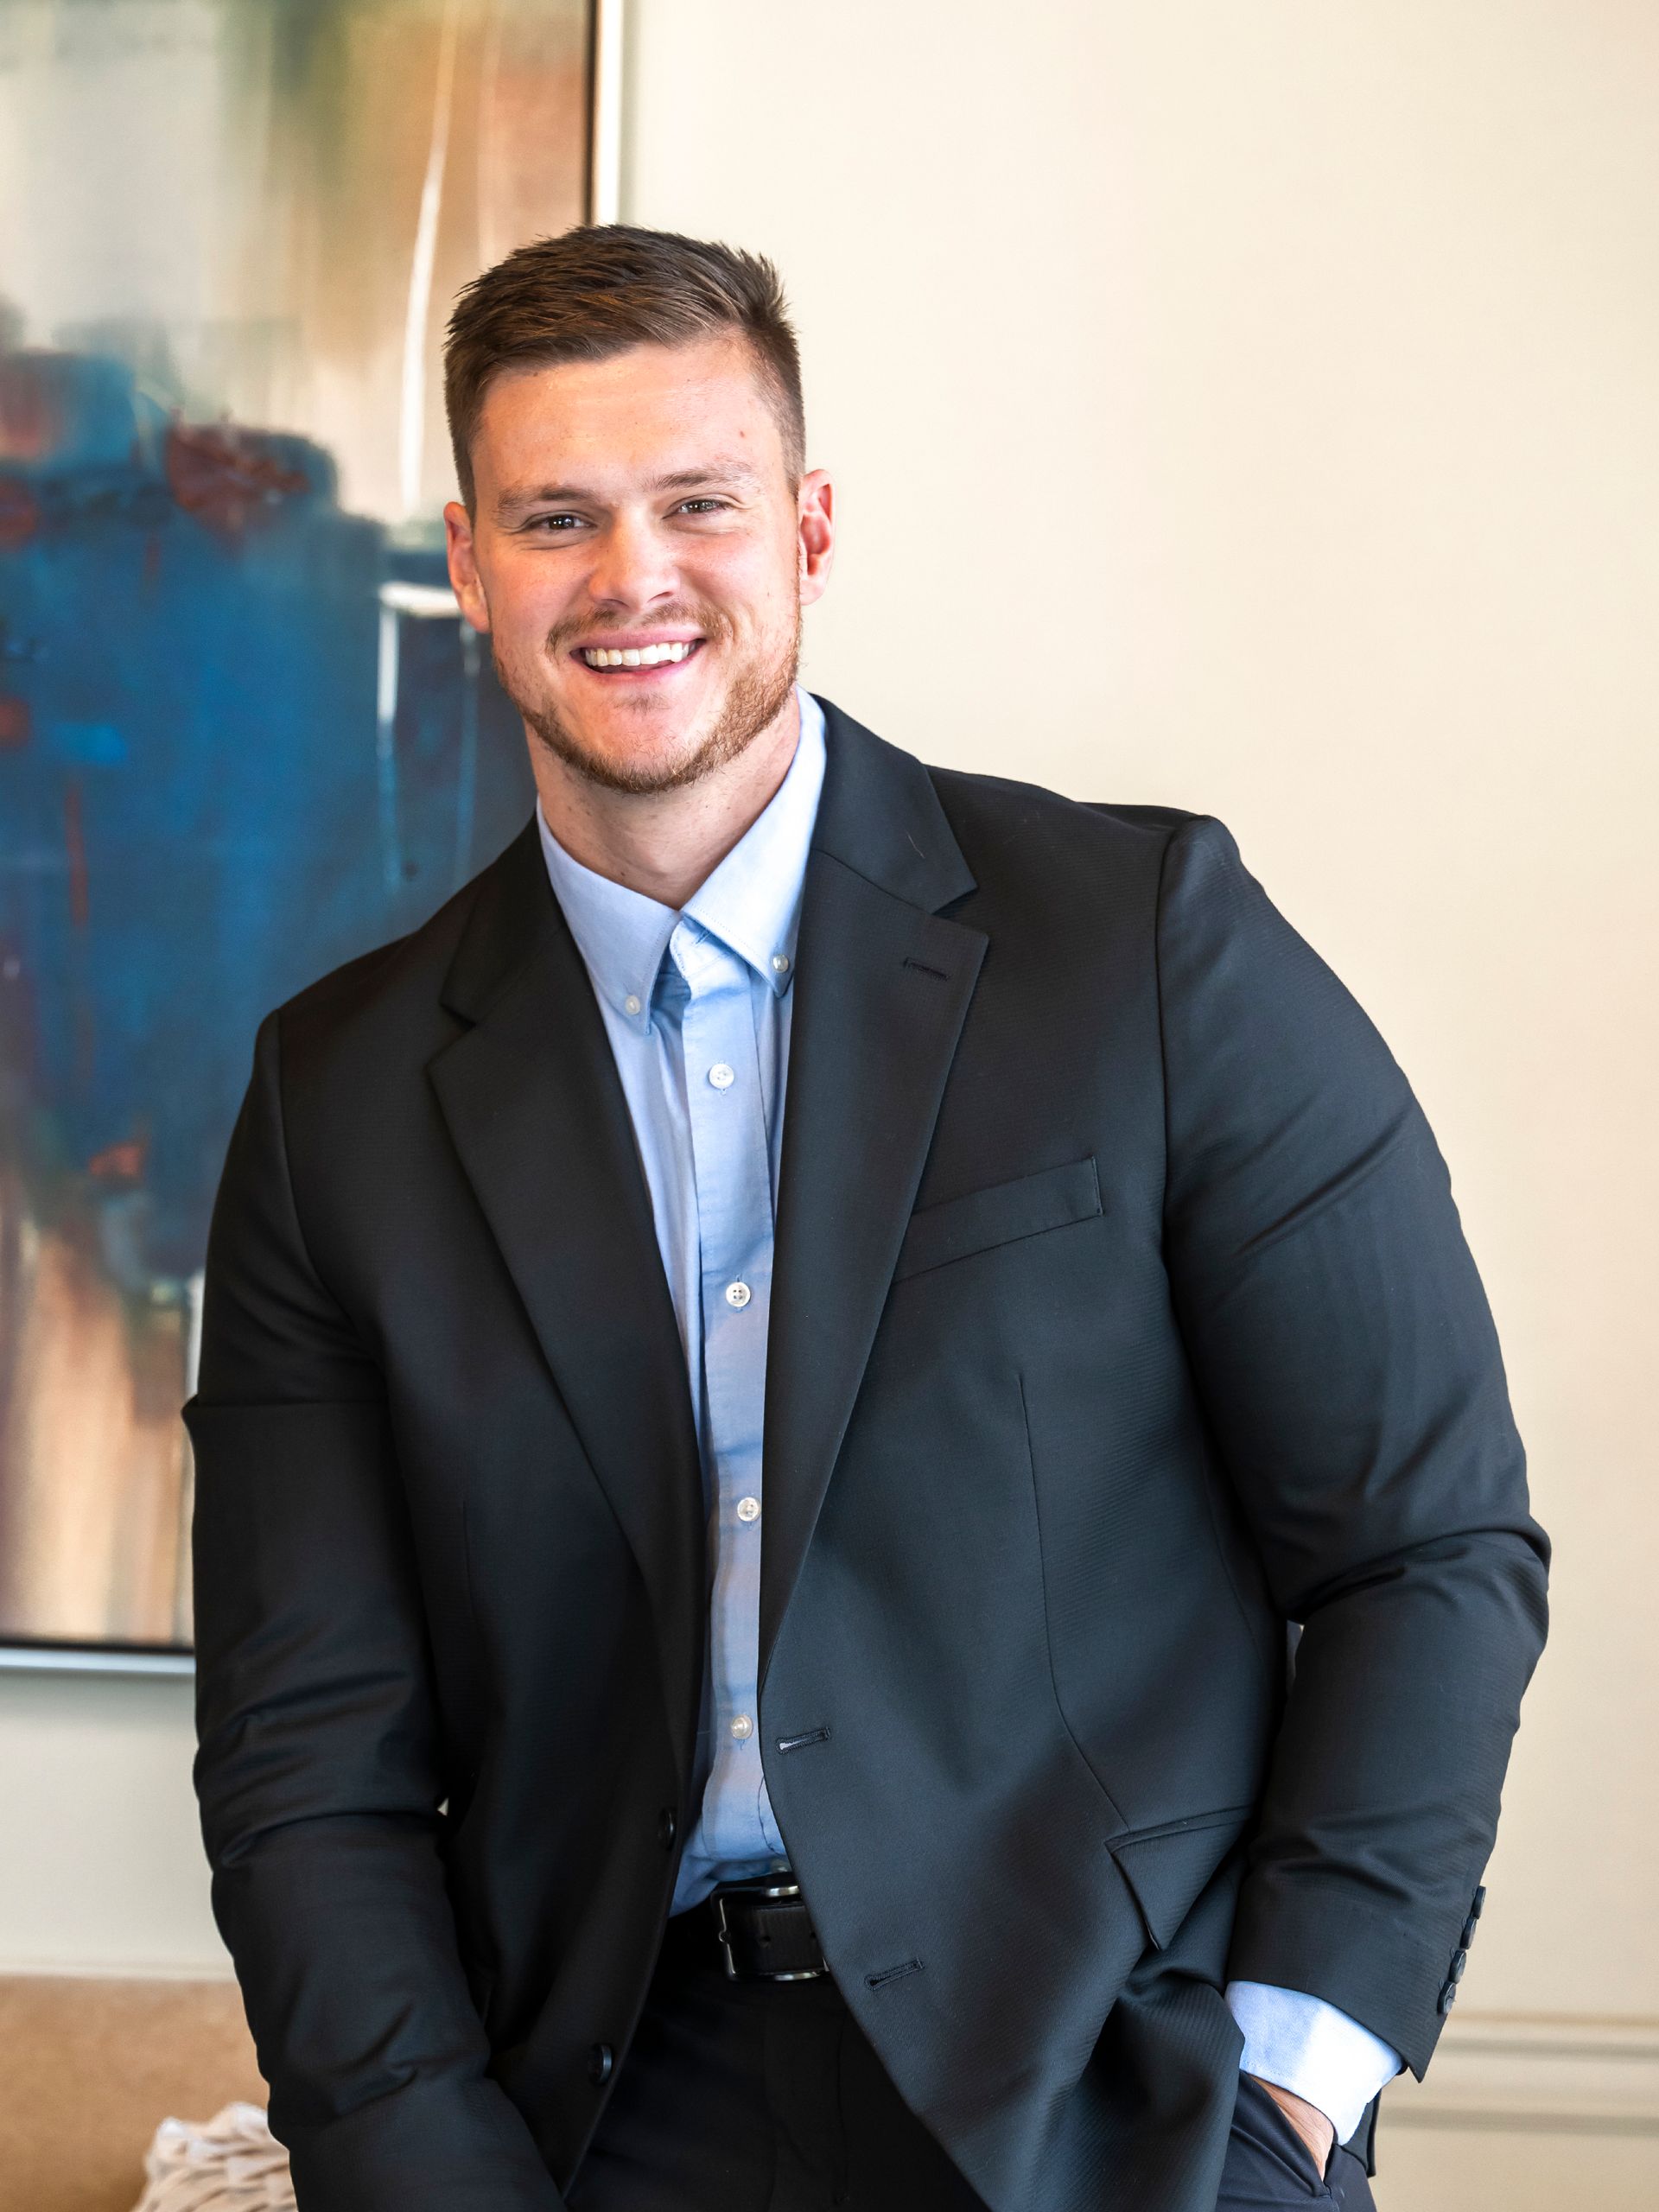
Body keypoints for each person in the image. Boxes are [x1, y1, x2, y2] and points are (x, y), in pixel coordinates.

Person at [187, 226, 1548, 2212]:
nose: (633, 575)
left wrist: (1288, 2093)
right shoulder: (338, 1103)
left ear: (810, 526)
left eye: (698, 504)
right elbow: (307, 1752)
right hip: (595, 2123)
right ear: (470, 566)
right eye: (557, 516)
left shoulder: (1150, 945)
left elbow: (1428, 1545)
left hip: (1122, 2106)